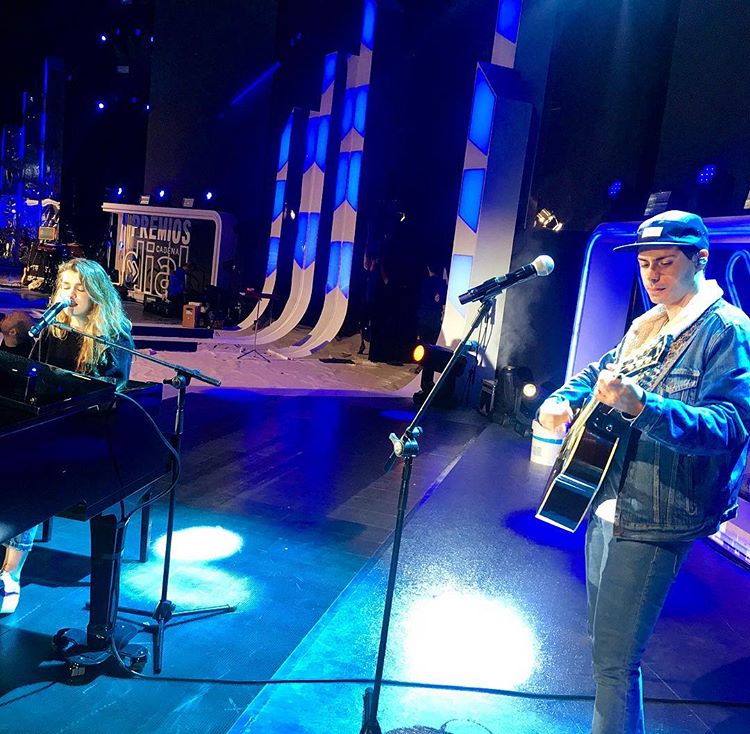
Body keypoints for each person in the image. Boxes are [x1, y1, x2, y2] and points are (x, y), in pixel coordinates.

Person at [538, 210, 750, 734]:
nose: (652, 275)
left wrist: (644, 407)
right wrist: (564, 399)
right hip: (607, 496)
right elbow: (598, 373)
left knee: (614, 659)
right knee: (606, 648)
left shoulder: (726, 329)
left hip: (661, 512)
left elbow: (730, 425)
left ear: (700, 260)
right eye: (645, 264)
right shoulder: (649, 324)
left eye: (665, 263)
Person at [1, 258, 134, 615]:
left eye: (79, 287)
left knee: (24, 474)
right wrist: (11, 342)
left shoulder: (115, 335)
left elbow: (110, 393)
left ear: (96, 293)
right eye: (65, 286)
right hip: (48, 429)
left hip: (88, 435)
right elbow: (24, 380)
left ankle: (9, 575)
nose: (71, 294)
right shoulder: (50, 330)